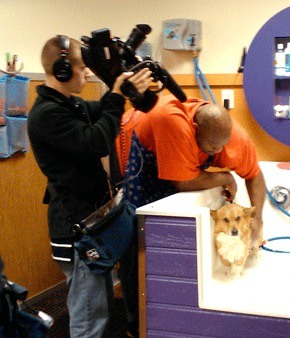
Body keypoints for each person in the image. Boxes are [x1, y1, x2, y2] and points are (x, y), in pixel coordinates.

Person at [27, 35, 152, 337]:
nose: (88, 74)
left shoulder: (69, 104)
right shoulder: (47, 114)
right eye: (83, 68)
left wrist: (126, 89)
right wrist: (116, 96)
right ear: (62, 70)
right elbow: (97, 141)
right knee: (88, 316)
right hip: (75, 232)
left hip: (89, 225)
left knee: (100, 307)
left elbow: (101, 110)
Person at [115, 94, 266, 240]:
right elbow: (183, 183)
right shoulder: (175, 124)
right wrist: (225, 177)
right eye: (213, 147)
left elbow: (254, 175)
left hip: (176, 150)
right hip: (133, 137)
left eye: (223, 145)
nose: (219, 150)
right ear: (195, 129)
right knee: (137, 223)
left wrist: (257, 219)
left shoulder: (236, 139)